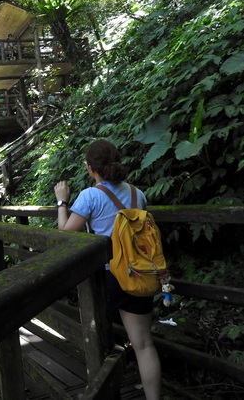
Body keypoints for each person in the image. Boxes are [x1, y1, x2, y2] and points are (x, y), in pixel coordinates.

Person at [53, 139, 161, 400]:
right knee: (144, 345)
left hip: (108, 277)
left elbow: (66, 234)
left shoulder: (90, 196)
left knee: (101, 341)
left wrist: (61, 202)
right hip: (139, 273)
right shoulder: (138, 194)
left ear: (90, 168)